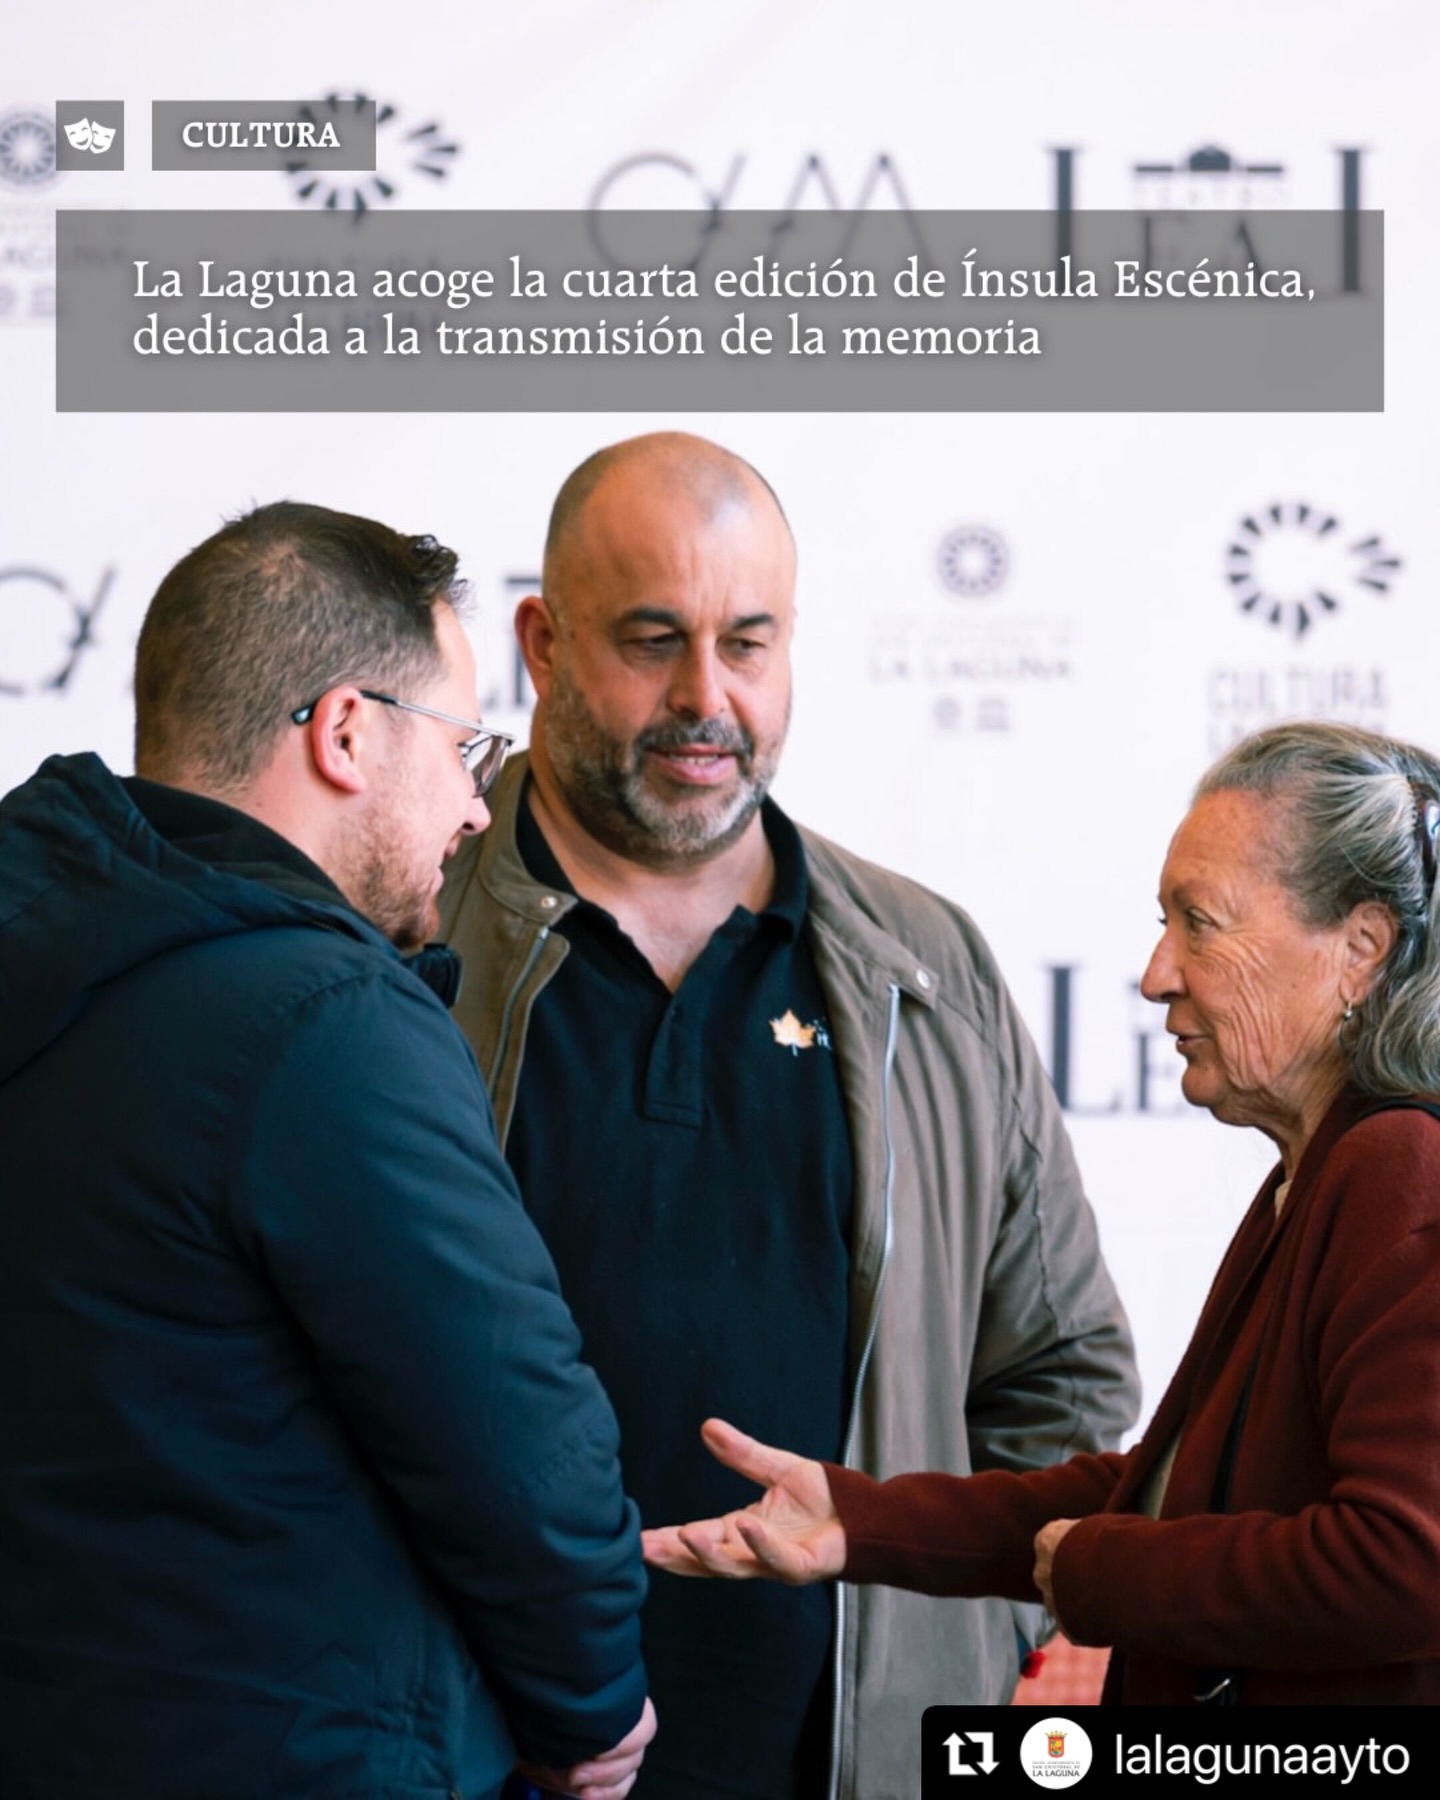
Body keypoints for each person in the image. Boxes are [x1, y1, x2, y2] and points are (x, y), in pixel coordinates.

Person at [437, 432, 1139, 1795]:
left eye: (747, 643)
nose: (708, 697)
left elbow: (1063, 1381)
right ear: (541, 640)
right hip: (470, 1755)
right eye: (651, 639)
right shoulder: (399, 930)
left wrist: (970, 1637)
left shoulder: (926, 967)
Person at [0, 502, 656, 1798]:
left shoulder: (47, 960)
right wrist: (592, 1706)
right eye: (465, 745)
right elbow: (516, 1433)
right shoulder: (328, 1023)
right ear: (348, 731)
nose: (477, 806)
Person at [644, 719, 1440, 1706]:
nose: (1158, 975)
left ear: (1360, 950)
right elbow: (1159, 1497)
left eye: (1202, 921)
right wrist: (860, 1519)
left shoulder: (1398, 1167)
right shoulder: (1324, 1171)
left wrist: (1106, 1577)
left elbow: (1407, 1562)